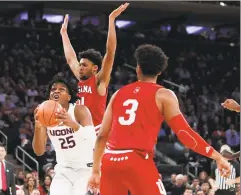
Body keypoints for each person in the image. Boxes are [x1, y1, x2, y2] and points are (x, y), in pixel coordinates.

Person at [87, 44, 232, 195]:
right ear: (160, 71)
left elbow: (102, 135)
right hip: (137, 160)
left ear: (138, 68)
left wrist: (95, 171)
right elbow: (184, 133)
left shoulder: (118, 94)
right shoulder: (164, 95)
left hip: (110, 161)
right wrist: (217, 156)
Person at [60, 3, 129, 134]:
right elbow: (70, 59)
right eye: (80, 65)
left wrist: (111, 20)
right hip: (80, 131)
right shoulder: (81, 78)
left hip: (96, 133)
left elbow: (110, 52)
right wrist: (63, 33)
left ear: (95, 68)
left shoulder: (99, 81)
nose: (80, 68)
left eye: (84, 65)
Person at [33, 76, 96, 195]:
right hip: (64, 170)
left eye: (62, 89)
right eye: (53, 89)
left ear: (69, 97)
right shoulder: (45, 115)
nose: (56, 91)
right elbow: (39, 151)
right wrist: (38, 127)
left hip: (85, 169)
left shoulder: (79, 110)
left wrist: (73, 124)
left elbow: (94, 141)